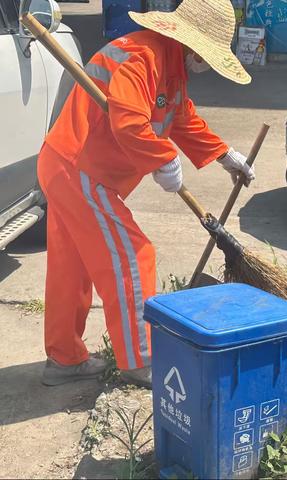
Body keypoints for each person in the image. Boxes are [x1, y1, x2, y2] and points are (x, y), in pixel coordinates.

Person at [38, 0, 254, 388]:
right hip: (79, 167)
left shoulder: (169, 66)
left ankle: (64, 359)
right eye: (206, 54)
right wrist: (163, 159)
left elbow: (180, 116)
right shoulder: (142, 57)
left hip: (68, 163)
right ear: (193, 44)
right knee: (132, 256)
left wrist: (224, 154)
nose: (204, 63)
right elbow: (130, 118)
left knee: (73, 268)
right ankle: (142, 358)